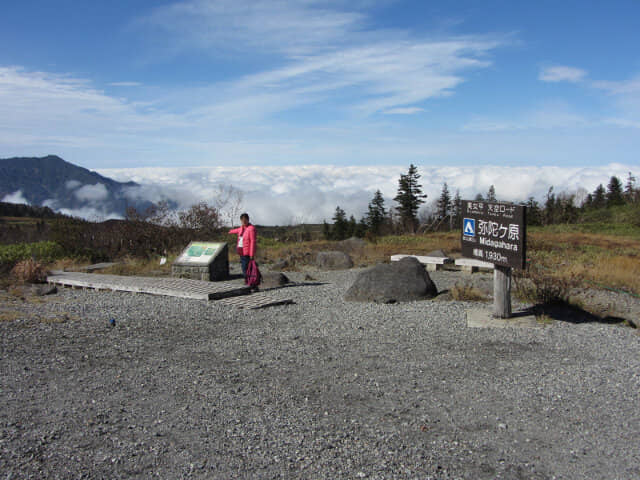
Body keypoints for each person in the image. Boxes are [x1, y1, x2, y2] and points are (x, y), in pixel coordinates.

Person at [229, 213, 256, 278]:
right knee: (245, 267)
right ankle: (250, 281)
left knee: (246, 267)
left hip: (247, 252)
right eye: (242, 220)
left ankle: (249, 281)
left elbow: (253, 241)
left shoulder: (251, 229)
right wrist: (229, 231)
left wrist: (251, 254)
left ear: (248, 220)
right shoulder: (241, 228)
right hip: (241, 251)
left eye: (245, 220)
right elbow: (235, 230)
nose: (244, 221)